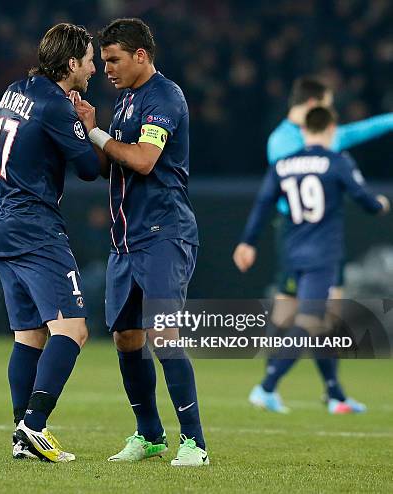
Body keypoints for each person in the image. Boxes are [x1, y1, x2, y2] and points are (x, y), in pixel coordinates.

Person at [74, 18, 208, 466]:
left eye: (113, 60)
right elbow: (113, 165)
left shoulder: (164, 98)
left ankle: (195, 444)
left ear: (141, 56)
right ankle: (150, 435)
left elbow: (146, 161)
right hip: (126, 241)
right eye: (104, 60)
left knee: (163, 336)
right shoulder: (126, 101)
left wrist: (97, 134)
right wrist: (90, 130)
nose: (106, 68)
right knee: (127, 339)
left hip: (164, 234)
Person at [0, 23, 99, 463]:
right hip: (35, 229)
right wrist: (88, 124)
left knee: (29, 335)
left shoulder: (15, 89)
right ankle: (34, 425)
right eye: (88, 60)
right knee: (73, 329)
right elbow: (89, 168)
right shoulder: (56, 105)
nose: (92, 68)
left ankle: (21, 434)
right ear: (71, 64)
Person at [233, 106, 389, 413]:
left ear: (303, 130)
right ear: (331, 128)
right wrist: (381, 204)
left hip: (292, 253)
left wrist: (247, 242)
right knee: (311, 321)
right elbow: (364, 199)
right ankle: (266, 386)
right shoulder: (337, 161)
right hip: (323, 256)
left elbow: (264, 205)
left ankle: (335, 395)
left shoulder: (283, 164)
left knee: (317, 324)